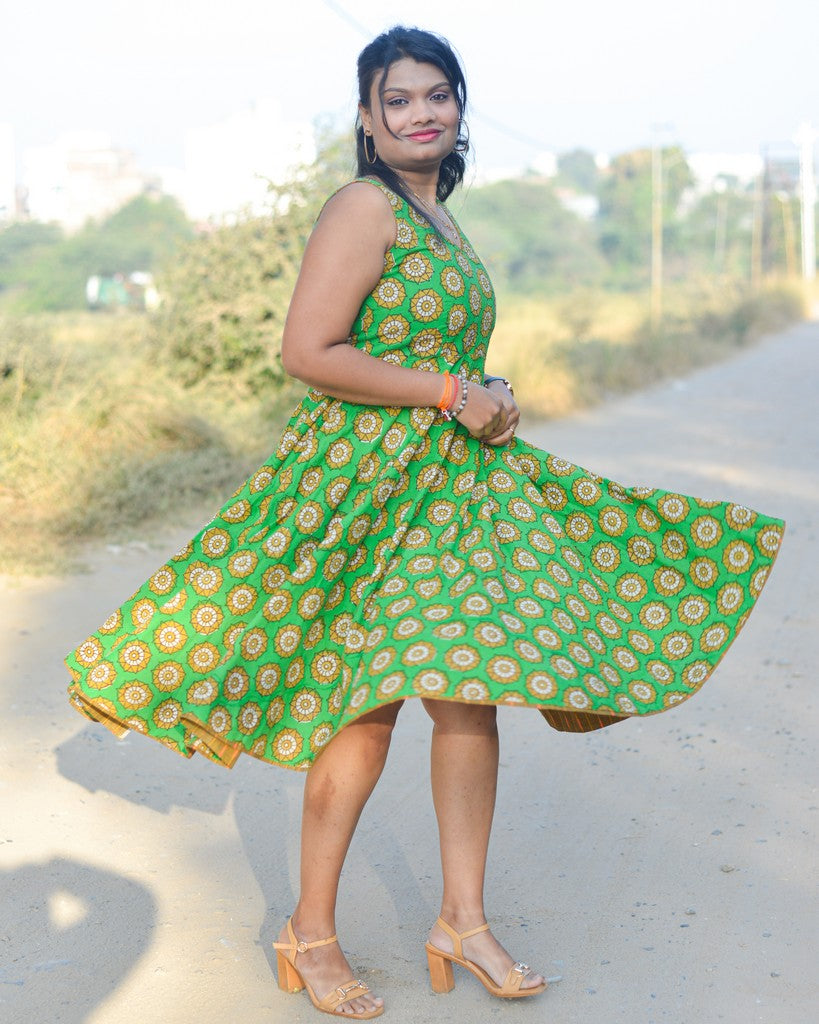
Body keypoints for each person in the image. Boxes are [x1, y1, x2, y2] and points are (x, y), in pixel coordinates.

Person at [66, 25, 784, 1021]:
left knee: (468, 696)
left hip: (447, 491)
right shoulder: (363, 206)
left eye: (436, 95)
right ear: (367, 119)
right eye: (397, 99)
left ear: (458, 108)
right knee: (362, 709)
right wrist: (451, 391)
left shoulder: (440, 218)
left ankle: (461, 920)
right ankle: (309, 930)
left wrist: (485, 390)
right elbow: (309, 351)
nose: (420, 113)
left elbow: (427, 352)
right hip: (367, 486)